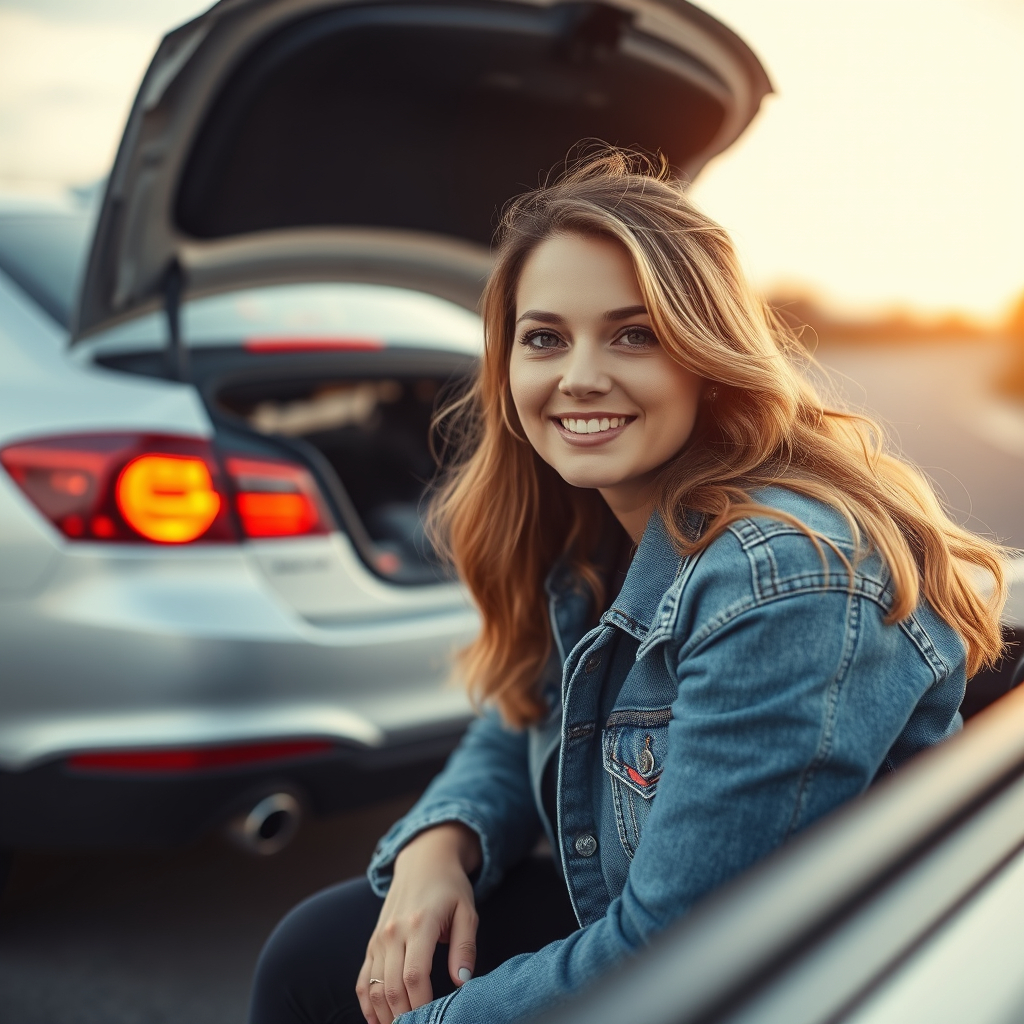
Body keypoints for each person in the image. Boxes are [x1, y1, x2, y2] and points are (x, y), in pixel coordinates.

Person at [248, 151, 1008, 1024]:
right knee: (318, 951)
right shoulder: (590, 523)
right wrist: (437, 842)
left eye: (633, 333)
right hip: (640, 916)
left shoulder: (781, 578)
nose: (578, 375)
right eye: (544, 338)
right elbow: (521, 707)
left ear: (708, 357)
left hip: (792, 982)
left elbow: (678, 956)